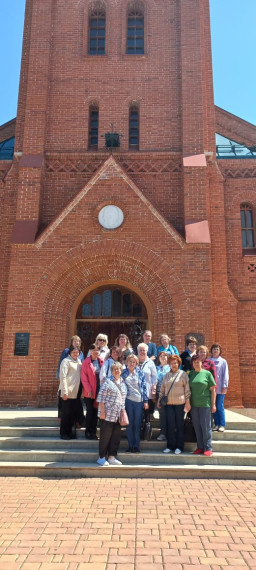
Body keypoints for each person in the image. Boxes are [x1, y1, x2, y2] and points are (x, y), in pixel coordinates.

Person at [158, 354, 191, 454]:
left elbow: (187, 389)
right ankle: (170, 446)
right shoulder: (167, 375)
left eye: (175, 363)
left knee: (179, 425)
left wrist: (187, 402)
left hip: (180, 404)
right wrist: (159, 400)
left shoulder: (183, 374)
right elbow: (162, 389)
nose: (173, 364)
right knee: (170, 426)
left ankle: (179, 447)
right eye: (172, 363)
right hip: (169, 404)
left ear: (179, 363)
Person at [96, 362, 127, 466]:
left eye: (118, 369)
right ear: (112, 371)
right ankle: (101, 457)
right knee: (105, 436)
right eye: (114, 369)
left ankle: (112, 457)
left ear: (121, 371)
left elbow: (123, 400)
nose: (117, 371)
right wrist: (102, 412)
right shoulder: (107, 382)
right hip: (107, 415)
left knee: (115, 437)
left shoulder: (123, 383)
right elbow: (101, 398)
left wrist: (123, 413)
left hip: (118, 415)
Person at [189, 354, 216, 456]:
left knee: (206, 427)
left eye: (198, 362)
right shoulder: (190, 374)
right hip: (194, 405)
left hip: (205, 404)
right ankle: (200, 447)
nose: (197, 363)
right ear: (192, 364)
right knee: (197, 426)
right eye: (195, 362)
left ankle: (208, 447)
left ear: (202, 363)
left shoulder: (207, 374)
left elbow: (213, 390)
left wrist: (213, 404)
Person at [122, 354, 149, 453]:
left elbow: (144, 387)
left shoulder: (140, 373)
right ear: (127, 362)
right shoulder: (123, 373)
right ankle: (130, 446)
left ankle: (136, 446)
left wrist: (145, 401)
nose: (132, 363)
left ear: (136, 363)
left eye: (134, 362)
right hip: (128, 401)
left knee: (137, 424)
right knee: (129, 424)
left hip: (138, 401)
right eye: (130, 361)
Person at [56, 335, 84, 424]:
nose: (77, 342)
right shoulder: (66, 353)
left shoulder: (81, 354)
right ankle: (62, 422)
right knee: (65, 407)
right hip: (68, 384)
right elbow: (62, 366)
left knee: (74, 406)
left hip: (76, 384)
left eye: (78, 341)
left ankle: (77, 422)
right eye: (75, 341)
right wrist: (60, 377)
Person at [81, 344, 104, 440]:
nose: (96, 351)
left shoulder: (101, 362)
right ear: (90, 351)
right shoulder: (86, 362)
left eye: (97, 350)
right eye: (94, 349)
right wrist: (88, 389)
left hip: (99, 391)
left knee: (95, 413)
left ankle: (94, 432)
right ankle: (88, 431)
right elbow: (84, 377)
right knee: (90, 412)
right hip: (89, 392)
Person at [59, 346, 82, 440]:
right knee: (65, 414)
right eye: (74, 352)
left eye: (77, 352)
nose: (75, 354)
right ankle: (64, 433)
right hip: (67, 392)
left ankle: (70, 432)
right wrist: (64, 392)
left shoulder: (79, 362)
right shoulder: (66, 361)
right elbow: (63, 377)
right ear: (70, 353)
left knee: (72, 414)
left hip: (75, 393)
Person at [209, 343, 229, 432]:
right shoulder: (208, 360)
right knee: (213, 406)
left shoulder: (223, 361)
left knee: (219, 405)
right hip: (211, 387)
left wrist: (225, 386)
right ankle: (216, 424)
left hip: (220, 387)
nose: (215, 351)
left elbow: (225, 374)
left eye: (217, 349)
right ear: (211, 350)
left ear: (220, 351)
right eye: (214, 349)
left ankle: (222, 424)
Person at [137, 343, 157, 424]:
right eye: (140, 350)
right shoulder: (134, 361)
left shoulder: (150, 363)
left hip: (147, 392)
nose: (142, 352)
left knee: (146, 414)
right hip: (136, 393)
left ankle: (145, 433)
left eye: (144, 350)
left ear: (147, 351)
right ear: (137, 351)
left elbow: (154, 377)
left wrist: (153, 389)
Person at [156, 351, 170, 441]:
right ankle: (163, 433)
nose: (163, 357)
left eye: (165, 356)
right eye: (161, 356)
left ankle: (170, 433)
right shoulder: (156, 368)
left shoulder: (170, 367)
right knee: (162, 414)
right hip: (159, 394)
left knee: (170, 414)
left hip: (169, 394)